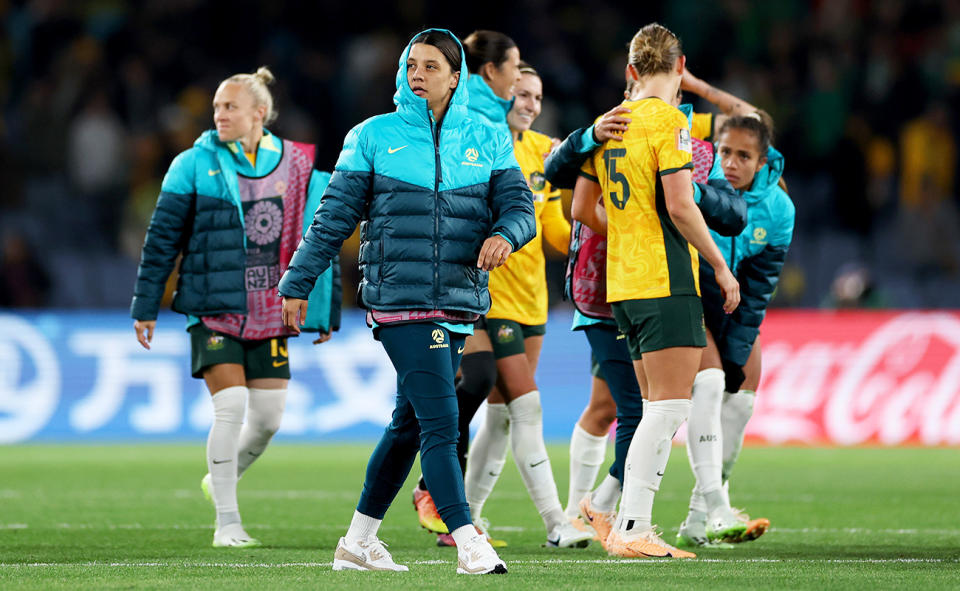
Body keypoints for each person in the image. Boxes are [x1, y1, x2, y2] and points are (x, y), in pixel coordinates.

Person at [278, 29, 535, 574]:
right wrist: (298, 282)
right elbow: (333, 219)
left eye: (430, 67)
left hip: (461, 299)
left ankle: (357, 541)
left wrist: (505, 235)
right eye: (411, 65)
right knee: (442, 422)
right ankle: (469, 541)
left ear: (455, 77)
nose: (417, 74)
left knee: (409, 425)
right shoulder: (372, 136)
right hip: (401, 300)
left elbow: (520, 209)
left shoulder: (487, 136)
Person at [130, 67, 341, 548]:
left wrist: (323, 305)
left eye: (230, 107)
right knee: (230, 407)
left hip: (271, 309)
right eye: (216, 108)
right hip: (214, 304)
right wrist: (145, 304)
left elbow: (320, 233)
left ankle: (219, 477)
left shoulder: (296, 165)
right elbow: (162, 238)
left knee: (267, 420)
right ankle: (227, 523)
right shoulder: (191, 164)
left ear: (259, 114)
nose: (219, 115)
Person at [546, 82, 747, 544]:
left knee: (613, 408)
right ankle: (617, 521)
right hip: (650, 281)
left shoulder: (605, 129)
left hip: (612, 290)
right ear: (675, 72)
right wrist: (717, 265)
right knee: (659, 407)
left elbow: (578, 205)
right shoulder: (666, 126)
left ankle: (599, 514)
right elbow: (680, 204)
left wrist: (623, 222)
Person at [460, 61, 593, 549]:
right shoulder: (480, 148)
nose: (530, 105)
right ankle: (556, 523)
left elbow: (554, 229)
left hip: (533, 300)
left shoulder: (544, 154)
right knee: (528, 405)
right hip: (490, 299)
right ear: (499, 96)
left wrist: (594, 229)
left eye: (537, 97)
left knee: (502, 415)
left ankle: (464, 519)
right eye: (521, 94)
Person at [411, 29, 520, 546]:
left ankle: (439, 502)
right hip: (415, 283)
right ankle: (441, 502)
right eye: (515, 69)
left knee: (470, 381)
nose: (519, 81)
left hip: (464, 278)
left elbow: (514, 202)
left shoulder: (491, 125)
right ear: (485, 74)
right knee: (465, 384)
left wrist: (504, 231)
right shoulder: (458, 118)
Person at [675, 111, 794, 548]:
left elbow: (761, 285)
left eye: (744, 155)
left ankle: (696, 519)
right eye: (725, 151)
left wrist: (738, 345)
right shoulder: (695, 180)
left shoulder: (780, 209)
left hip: (737, 306)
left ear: (763, 161)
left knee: (740, 404)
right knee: (708, 385)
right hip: (691, 299)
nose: (731, 163)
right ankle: (719, 507)